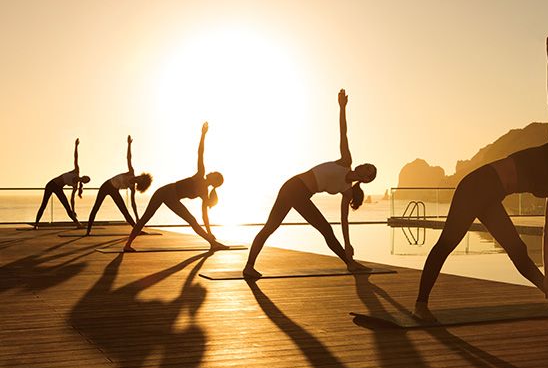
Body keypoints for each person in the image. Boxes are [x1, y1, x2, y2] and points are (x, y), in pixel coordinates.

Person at [414, 32, 548, 319]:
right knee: (447, 243)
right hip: (477, 185)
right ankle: (420, 305)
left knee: (517, 250)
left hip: (491, 197)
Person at [243, 89, 377, 278]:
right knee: (273, 227)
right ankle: (350, 264)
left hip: (299, 193)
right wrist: (342, 107)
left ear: (366, 179)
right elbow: (343, 132)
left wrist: (348, 243)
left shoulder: (347, 191)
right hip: (293, 186)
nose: (365, 165)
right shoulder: (346, 161)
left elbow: (344, 221)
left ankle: (350, 263)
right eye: (367, 165)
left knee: (314, 229)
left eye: (369, 170)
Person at [123, 123, 226, 252]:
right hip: (165, 192)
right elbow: (200, 153)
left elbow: (205, 215)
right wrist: (203, 134)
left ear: (214, 180)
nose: (212, 172)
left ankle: (212, 243)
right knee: (147, 218)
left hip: (170, 195)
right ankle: (127, 245)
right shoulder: (201, 177)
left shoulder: (203, 187)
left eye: (214, 174)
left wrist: (210, 232)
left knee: (192, 220)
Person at [85, 136, 153, 235]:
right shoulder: (131, 172)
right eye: (140, 177)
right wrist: (129, 144)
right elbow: (129, 158)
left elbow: (133, 204)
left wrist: (137, 216)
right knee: (96, 207)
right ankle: (88, 231)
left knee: (124, 211)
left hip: (114, 190)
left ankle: (136, 230)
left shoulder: (132, 188)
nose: (138, 177)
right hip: (106, 185)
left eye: (140, 179)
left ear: (140, 183)